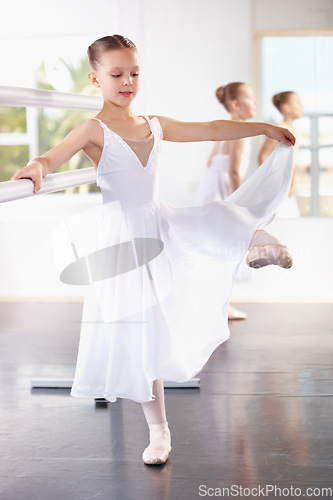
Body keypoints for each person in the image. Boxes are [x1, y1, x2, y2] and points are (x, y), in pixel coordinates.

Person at [11, 35, 295, 466]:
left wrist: (265, 127)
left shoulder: (155, 124)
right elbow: (51, 158)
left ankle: (256, 243)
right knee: (140, 330)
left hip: (156, 221)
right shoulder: (93, 129)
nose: (128, 81)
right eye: (117, 74)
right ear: (95, 79)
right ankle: (158, 431)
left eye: (135, 73)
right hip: (123, 239)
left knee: (208, 224)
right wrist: (35, 168)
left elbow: (212, 130)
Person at [196, 82, 258, 320]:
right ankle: (220, 305)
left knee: (214, 248)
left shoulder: (224, 130)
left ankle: (216, 303)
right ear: (235, 104)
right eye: (251, 98)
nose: (255, 102)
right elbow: (233, 171)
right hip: (223, 193)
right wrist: (239, 204)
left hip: (209, 191)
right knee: (224, 249)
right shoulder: (240, 130)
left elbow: (211, 162)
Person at [258, 91, 303, 217]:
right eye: (298, 103)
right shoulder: (280, 128)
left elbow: (294, 162)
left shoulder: (295, 130)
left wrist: (292, 185)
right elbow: (262, 154)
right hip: (277, 184)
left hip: (288, 184)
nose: (302, 106)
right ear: (286, 107)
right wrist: (269, 180)